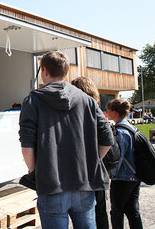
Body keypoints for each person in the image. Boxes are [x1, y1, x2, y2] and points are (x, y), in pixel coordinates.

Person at [19, 51, 115, 229]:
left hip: (51, 184)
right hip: (84, 184)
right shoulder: (87, 100)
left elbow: (27, 148)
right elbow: (108, 139)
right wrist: (92, 162)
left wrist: (35, 173)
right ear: (66, 71)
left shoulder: (32, 100)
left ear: (45, 71)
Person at [71, 76, 109, 229]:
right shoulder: (96, 108)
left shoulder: (80, 110)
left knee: (89, 210)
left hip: (88, 168)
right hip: (100, 167)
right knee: (100, 210)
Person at [106, 99, 143, 229]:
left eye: (108, 110)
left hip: (122, 177)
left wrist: (111, 174)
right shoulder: (131, 128)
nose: (106, 113)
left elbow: (118, 157)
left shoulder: (120, 131)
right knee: (133, 211)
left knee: (116, 212)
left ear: (114, 113)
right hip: (135, 175)